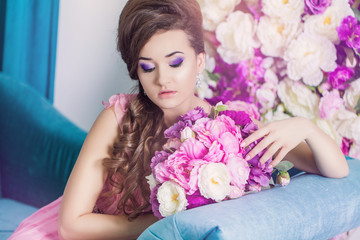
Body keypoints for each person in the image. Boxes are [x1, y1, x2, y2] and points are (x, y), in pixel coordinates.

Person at [9, 0, 349, 239]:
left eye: (175, 62)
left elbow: (338, 170)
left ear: (199, 61)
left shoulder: (229, 128)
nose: (162, 80)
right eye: (147, 67)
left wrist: (306, 127)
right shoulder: (117, 117)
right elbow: (71, 226)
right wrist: (167, 227)